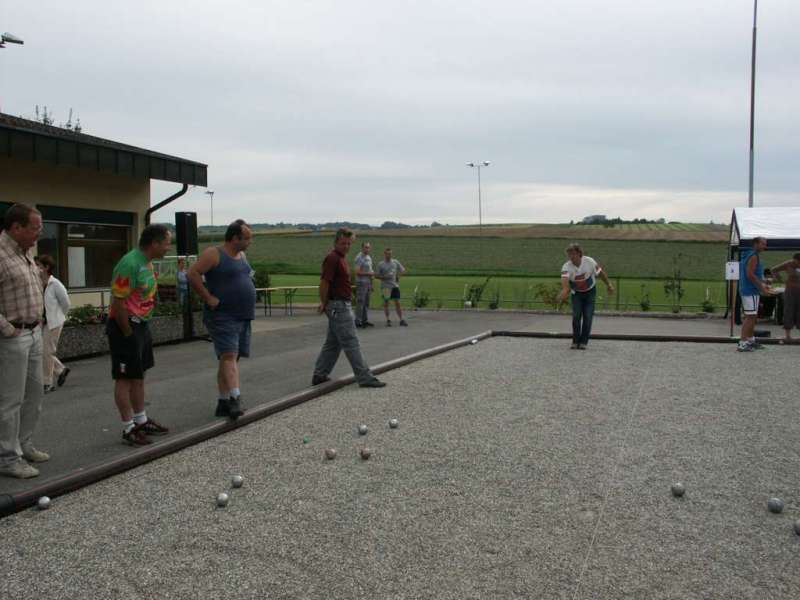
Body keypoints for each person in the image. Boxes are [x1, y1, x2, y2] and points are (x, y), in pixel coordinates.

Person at [107, 224, 172, 446]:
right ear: (154, 243)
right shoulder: (130, 264)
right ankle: (128, 428)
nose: (168, 248)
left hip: (141, 326)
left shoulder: (147, 262)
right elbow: (118, 301)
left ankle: (141, 420)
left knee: (139, 375)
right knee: (125, 379)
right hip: (126, 326)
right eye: (166, 243)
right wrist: (127, 332)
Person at [188, 219, 256, 420]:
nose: (250, 242)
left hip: (243, 315)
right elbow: (192, 273)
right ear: (235, 238)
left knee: (231, 359)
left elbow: (246, 276)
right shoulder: (214, 253)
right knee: (228, 355)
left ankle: (223, 401)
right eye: (247, 238)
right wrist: (208, 297)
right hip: (223, 315)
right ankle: (236, 398)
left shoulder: (242, 255)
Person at [0, 204, 48, 478]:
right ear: (16, 227)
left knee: (34, 394)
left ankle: (24, 444)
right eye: (35, 228)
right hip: (13, 337)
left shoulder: (25, 252)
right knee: (10, 400)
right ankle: (7, 457)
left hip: (33, 333)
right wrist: (8, 329)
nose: (39, 234)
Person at [311, 228, 386, 388]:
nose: (346, 246)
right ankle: (365, 377)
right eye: (343, 243)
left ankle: (320, 374)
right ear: (336, 242)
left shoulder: (340, 258)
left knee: (333, 343)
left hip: (339, 304)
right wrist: (324, 303)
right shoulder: (333, 259)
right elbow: (324, 283)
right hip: (338, 306)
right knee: (352, 342)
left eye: (349, 243)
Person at [557, 243, 615, 350]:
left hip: (590, 292)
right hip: (577, 294)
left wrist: (609, 285)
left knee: (588, 317)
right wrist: (562, 295)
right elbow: (566, 286)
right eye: (569, 255)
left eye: (573, 254)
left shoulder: (590, 261)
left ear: (579, 253)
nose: (571, 257)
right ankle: (575, 341)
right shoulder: (566, 267)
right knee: (576, 317)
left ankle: (584, 342)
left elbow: (601, 273)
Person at [36, 254, 71, 393]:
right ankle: (61, 370)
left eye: (38, 265)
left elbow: (66, 303)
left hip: (54, 322)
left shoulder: (55, 284)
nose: (36, 267)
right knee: (43, 351)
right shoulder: (38, 282)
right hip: (42, 322)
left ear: (46, 267)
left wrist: (58, 316)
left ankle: (47, 383)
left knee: (47, 351)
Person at [737, 237, 775, 352]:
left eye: (765, 244)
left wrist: (764, 282)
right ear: (756, 244)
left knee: (753, 317)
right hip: (750, 290)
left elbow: (753, 274)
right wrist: (762, 288)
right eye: (763, 244)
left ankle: (750, 340)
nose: (765, 246)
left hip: (750, 289)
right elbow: (750, 275)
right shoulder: (753, 256)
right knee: (750, 317)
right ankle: (743, 343)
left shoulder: (750, 255)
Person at [769, 252, 800, 342]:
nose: (797, 264)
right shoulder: (788, 263)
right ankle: (787, 335)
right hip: (790, 290)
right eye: (797, 262)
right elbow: (773, 269)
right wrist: (780, 279)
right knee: (788, 311)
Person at [376, 248, 407, 326]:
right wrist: (384, 277)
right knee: (386, 303)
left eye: (390, 254)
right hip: (386, 287)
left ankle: (401, 320)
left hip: (395, 286)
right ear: (384, 254)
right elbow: (376, 275)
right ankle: (388, 320)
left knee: (398, 303)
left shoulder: (395, 262)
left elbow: (403, 270)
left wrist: (398, 277)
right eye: (387, 254)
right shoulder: (381, 264)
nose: (389, 255)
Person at [353, 242, 375, 328]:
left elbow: (370, 269)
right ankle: (358, 321)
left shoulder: (368, 257)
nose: (367, 249)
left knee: (366, 303)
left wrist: (371, 282)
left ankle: (364, 320)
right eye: (366, 247)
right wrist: (369, 273)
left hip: (368, 282)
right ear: (362, 248)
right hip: (361, 283)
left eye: (369, 247)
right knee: (360, 302)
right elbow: (357, 272)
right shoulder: (359, 258)